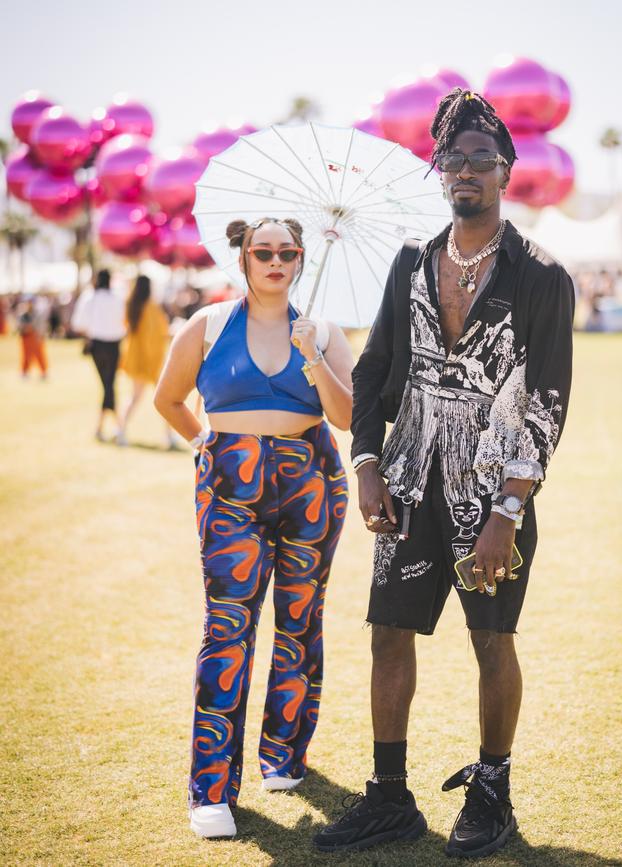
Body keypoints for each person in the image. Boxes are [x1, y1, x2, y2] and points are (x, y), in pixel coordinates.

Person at [314, 90, 574, 858]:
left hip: (490, 488)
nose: (467, 170)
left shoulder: (539, 276)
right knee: (388, 632)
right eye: (453, 158)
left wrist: (507, 510)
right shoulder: (411, 263)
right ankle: (390, 798)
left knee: (492, 637)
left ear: (506, 171)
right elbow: (372, 371)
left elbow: (548, 403)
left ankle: (492, 791)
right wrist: (366, 464)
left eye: (482, 159)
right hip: (407, 480)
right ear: (438, 170)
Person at [154, 217, 353, 840]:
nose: (274, 261)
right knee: (228, 627)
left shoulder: (320, 330)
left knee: (300, 620)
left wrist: (313, 357)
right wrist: (205, 442)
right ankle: (210, 789)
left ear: (300, 259)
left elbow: (349, 417)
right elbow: (168, 397)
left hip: (312, 484)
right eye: (261, 251)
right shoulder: (207, 325)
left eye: (286, 252)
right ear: (242, 257)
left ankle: (282, 757)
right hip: (230, 491)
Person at [117, 275, 176, 448]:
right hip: (152, 360)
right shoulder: (151, 307)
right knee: (166, 400)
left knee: (134, 397)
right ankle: (169, 436)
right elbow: (160, 332)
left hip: (136, 357)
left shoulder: (131, 305)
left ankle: (120, 429)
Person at [72, 269, 126, 441]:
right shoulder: (117, 298)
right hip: (114, 344)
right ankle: (117, 428)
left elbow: (78, 323)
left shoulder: (90, 297)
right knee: (109, 385)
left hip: (97, 344)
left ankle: (108, 428)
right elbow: (124, 321)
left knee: (107, 385)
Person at [16, 297, 48, 379]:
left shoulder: (37, 314)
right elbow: (19, 327)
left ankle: (43, 372)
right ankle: (24, 372)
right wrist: (25, 328)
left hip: (35, 337)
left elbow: (41, 326)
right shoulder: (23, 314)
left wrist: (40, 335)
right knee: (26, 356)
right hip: (26, 338)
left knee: (39, 355)